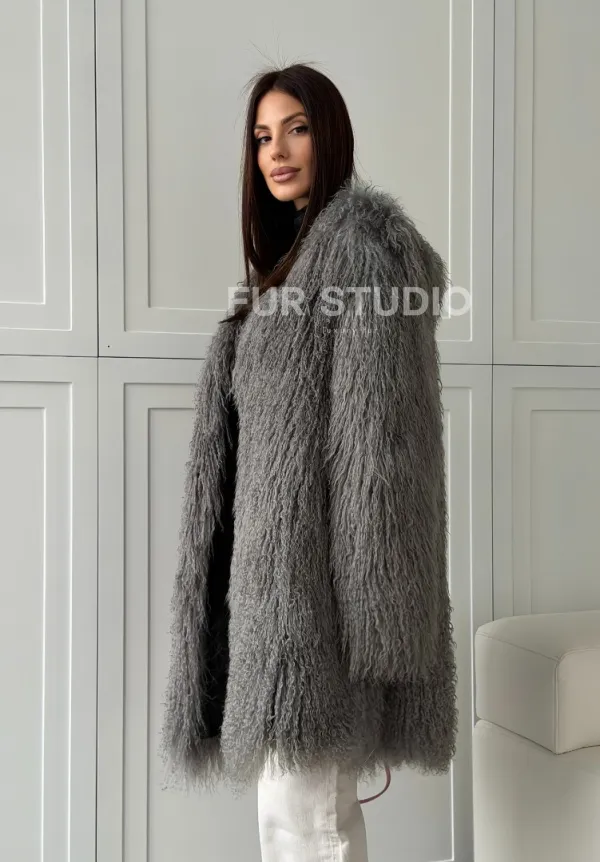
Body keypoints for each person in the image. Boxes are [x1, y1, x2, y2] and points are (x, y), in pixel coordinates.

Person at [160, 63, 459, 861]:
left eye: (296, 128)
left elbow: (383, 453)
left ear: (331, 134)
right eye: (263, 136)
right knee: (290, 818)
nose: (277, 151)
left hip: (321, 610)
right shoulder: (292, 267)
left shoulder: (361, 255)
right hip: (273, 601)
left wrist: (380, 628)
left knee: (310, 824)